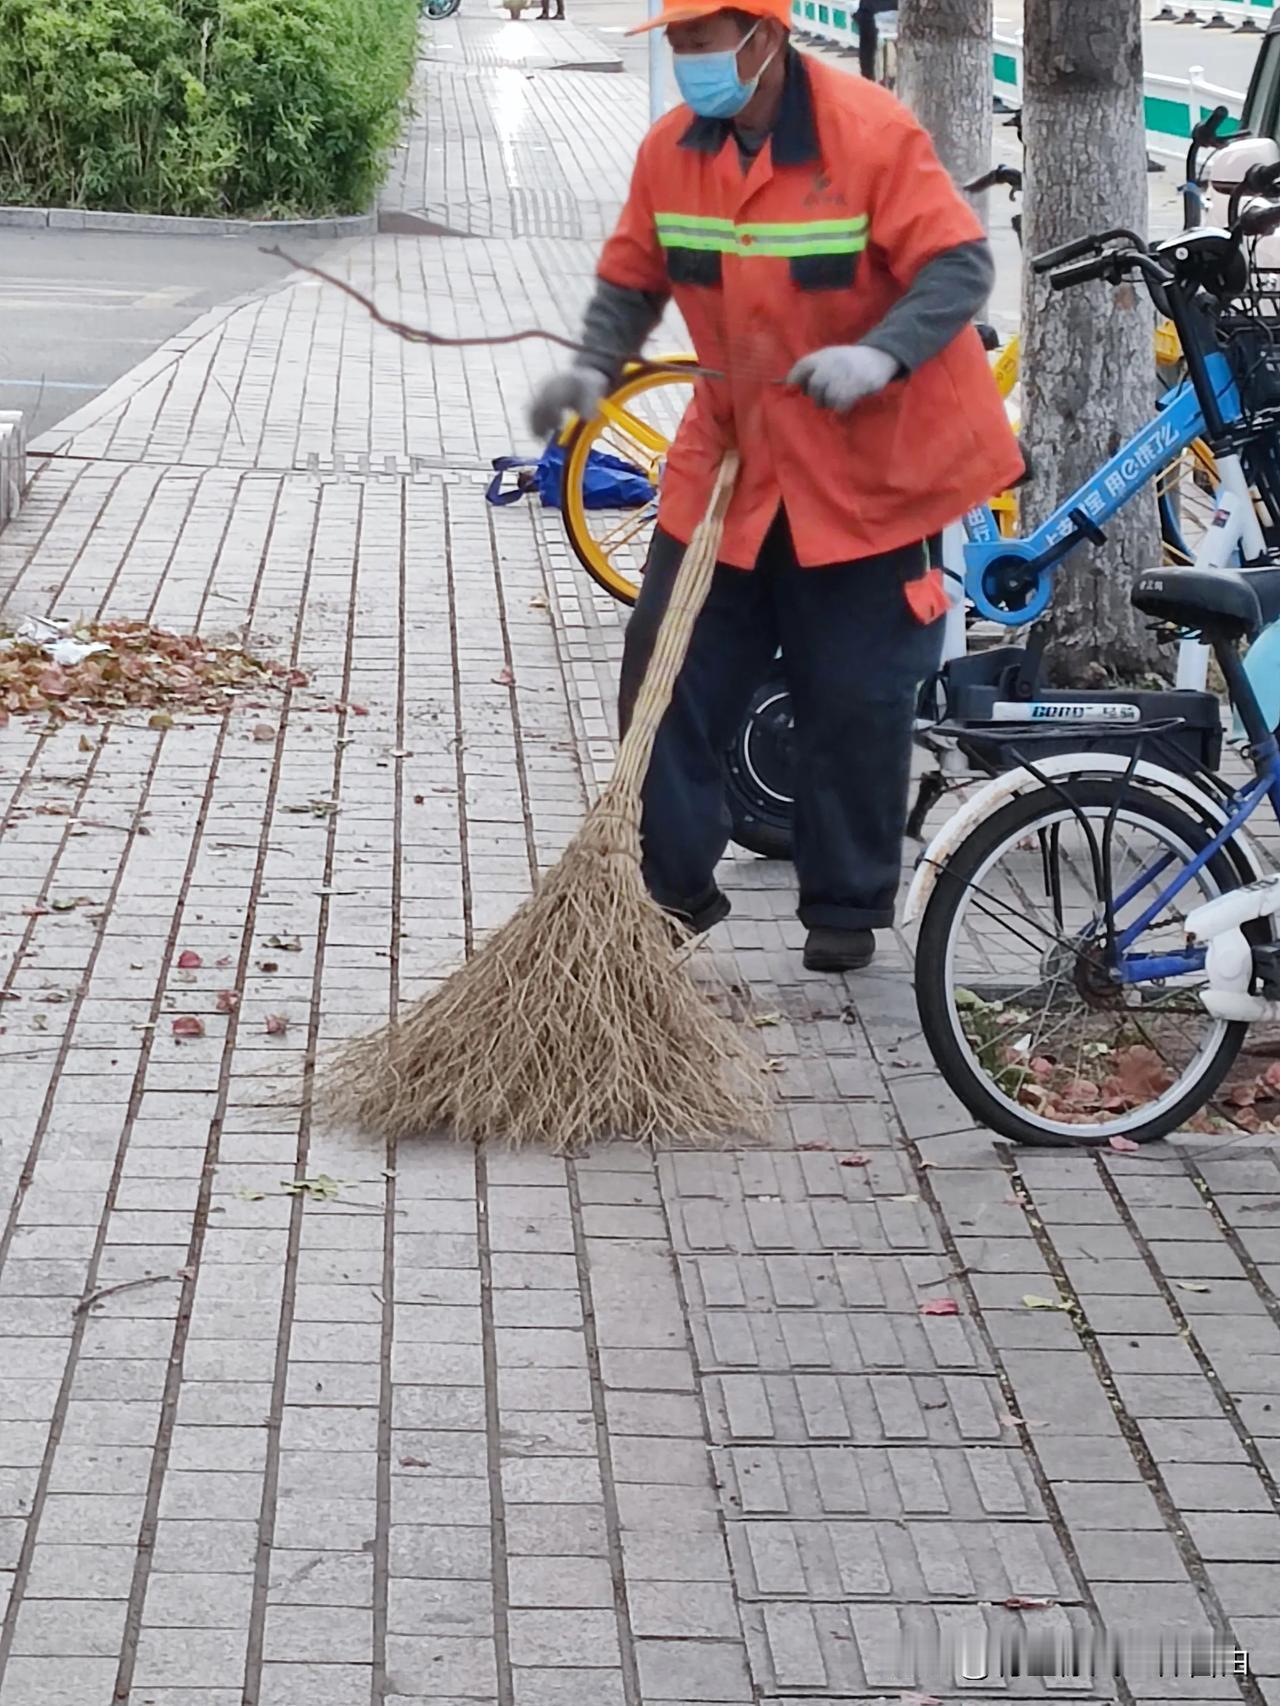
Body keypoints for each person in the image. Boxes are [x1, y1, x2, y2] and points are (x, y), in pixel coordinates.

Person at [529, 0, 1021, 973]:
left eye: (697, 40)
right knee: (665, 674)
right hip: (734, 459)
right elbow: (633, 278)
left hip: (867, 466)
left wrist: (879, 355)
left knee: (852, 694)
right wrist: (592, 365)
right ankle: (664, 895)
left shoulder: (866, 132)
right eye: (672, 41)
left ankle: (843, 902)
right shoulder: (672, 151)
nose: (682, 59)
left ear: (761, 37)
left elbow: (958, 264)